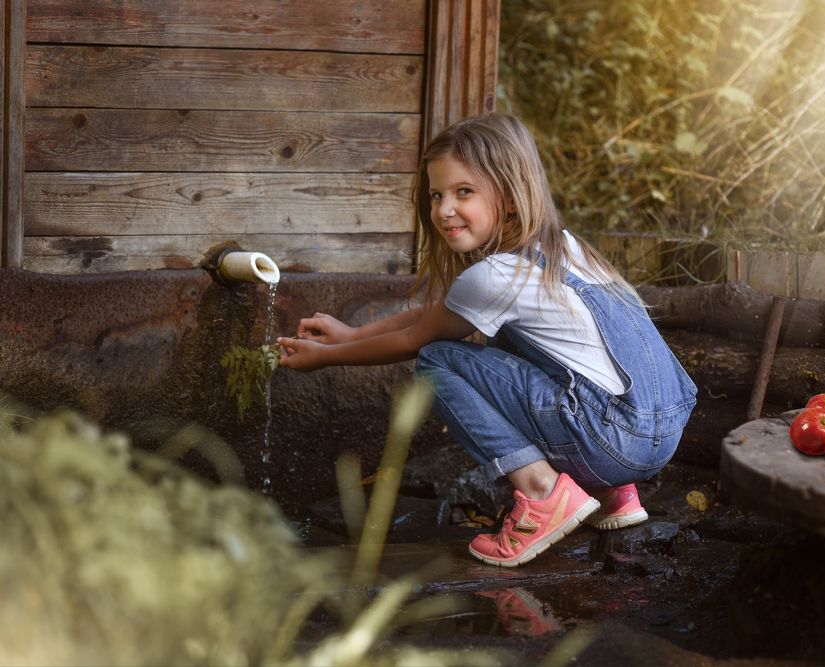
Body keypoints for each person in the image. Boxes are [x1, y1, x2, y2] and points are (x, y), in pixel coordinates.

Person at [278, 113, 697, 567]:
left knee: (437, 361)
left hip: (611, 440)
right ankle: (613, 494)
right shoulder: (567, 247)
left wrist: (327, 358)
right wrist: (353, 333)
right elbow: (440, 315)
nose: (443, 210)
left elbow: (417, 339)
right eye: (437, 195)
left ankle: (543, 493)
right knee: (511, 345)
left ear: (512, 199)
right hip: (662, 434)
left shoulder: (494, 276)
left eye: (464, 192)